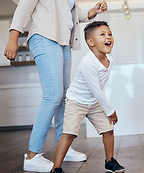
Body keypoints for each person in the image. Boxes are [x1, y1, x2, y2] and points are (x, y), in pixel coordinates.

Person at [4, 0, 108, 172]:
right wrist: (13, 36)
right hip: (44, 38)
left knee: (63, 98)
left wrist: (92, 11)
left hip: (62, 42)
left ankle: (65, 147)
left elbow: (70, 13)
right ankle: (32, 154)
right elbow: (25, 6)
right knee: (53, 96)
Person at [50, 21, 124, 173]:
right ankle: (56, 168)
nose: (108, 37)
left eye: (109, 34)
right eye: (102, 34)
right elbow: (96, 89)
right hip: (76, 101)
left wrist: (105, 109)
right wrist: (110, 110)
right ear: (90, 42)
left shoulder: (109, 60)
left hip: (93, 101)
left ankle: (109, 161)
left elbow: (98, 90)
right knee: (69, 134)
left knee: (108, 129)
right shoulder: (88, 63)